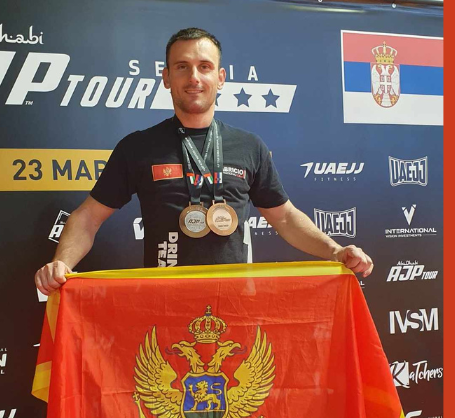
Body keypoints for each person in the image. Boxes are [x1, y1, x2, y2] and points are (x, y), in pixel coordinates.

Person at [35, 28, 373, 296]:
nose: (194, 77)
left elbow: (285, 218)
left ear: (221, 78)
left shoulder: (249, 146)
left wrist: (335, 251)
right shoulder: (138, 147)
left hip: (235, 302)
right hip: (164, 302)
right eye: (182, 67)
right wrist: (61, 263)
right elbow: (87, 218)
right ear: (167, 77)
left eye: (204, 67)